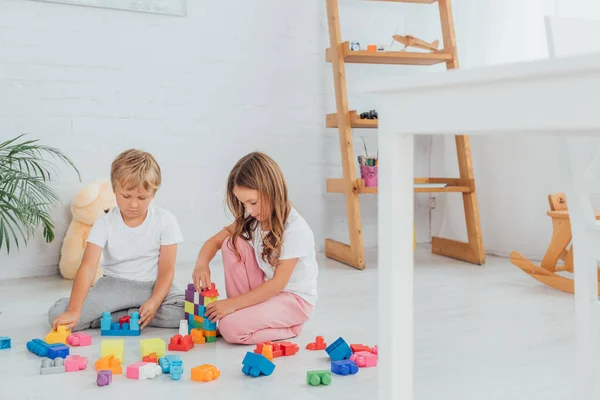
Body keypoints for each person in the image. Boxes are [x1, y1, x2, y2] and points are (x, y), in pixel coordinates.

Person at [48, 149, 184, 331]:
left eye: (142, 197)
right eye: (126, 196)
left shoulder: (165, 220)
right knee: (59, 315)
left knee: (187, 313)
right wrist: (73, 310)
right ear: (114, 189)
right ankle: (131, 315)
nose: (134, 204)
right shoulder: (104, 222)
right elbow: (88, 266)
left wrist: (154, 301)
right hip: (114, 288)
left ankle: (114, 317)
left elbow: (167, 271)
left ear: (153, 192)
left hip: (153, 286)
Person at [192, 151, 317, 345]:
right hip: (268, 291)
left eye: (252, 202)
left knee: (229, 329)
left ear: (272, 191)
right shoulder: (253, 218)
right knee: (231, 243)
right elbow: (214, 242)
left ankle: (290, 327)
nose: (248, 210)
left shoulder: (295, 230)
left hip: (294, 301)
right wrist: (202, 264)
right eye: (243, 204)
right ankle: (240, 314)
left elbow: (277, 284)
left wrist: (231, 305)